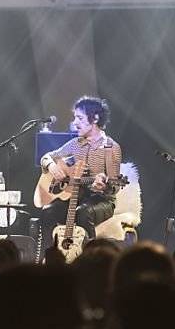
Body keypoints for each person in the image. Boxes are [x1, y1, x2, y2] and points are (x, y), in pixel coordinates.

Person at [38, 96, 122, 254]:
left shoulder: (111, 148)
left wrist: (104, 186)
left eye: (80, 118)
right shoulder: (76, 144)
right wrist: (51, 165)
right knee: (47, 212)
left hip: (101, 201)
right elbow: (46, 157)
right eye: (75, 117)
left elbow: (115, 186)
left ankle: (89, 259)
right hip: (76, 196)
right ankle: (49, 258)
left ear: (95, 118)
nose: (75, 122)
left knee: (82, 212)